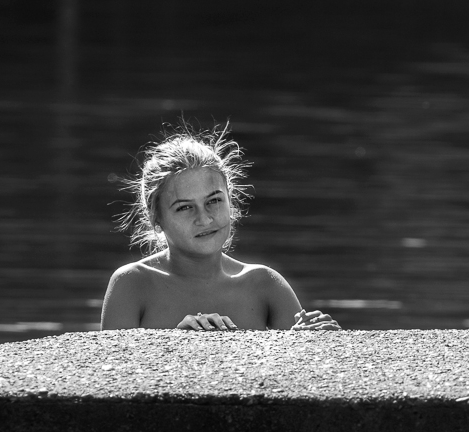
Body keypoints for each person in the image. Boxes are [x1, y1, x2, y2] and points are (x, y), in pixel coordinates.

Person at [100, 122, 340, 332]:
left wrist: (317, 339)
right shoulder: (132, 284)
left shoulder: (265, 284)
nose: (204, 219)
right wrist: (173, 343)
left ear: (231, 201)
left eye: (213, 201)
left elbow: (298, 374)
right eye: (184, 207)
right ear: (156, 219)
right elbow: (112, 374)